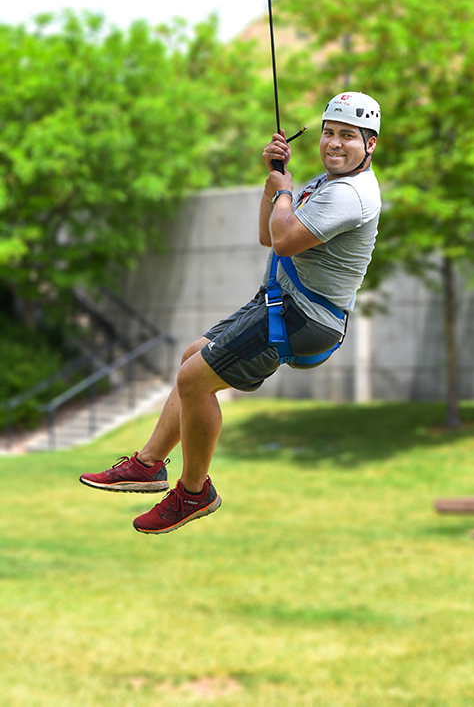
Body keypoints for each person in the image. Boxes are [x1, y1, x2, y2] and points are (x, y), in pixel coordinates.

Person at [79, 91, 382, 534]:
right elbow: (267, 234)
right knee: (191, 358)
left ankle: (194, 492)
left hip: (306, 317)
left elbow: (284, 241)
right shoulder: (326, 183)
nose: (335, 143)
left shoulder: (352, 194)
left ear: (370, 144)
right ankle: (148, 465)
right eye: (329, 133)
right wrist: (273, 182)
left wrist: (283, 191)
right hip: (283, 301)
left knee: (193, 381)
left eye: (348, 136)